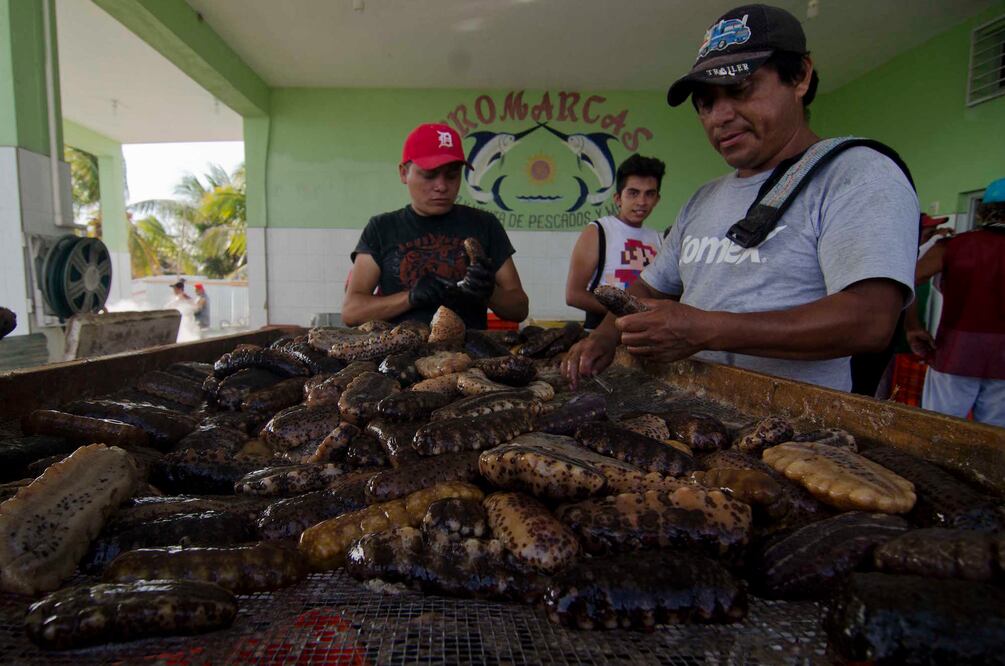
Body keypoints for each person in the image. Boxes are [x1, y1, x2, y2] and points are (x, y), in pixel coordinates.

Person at [563, 3, 919, 391]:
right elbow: (649, 289)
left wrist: (707, 329)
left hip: (798, 436)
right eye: (706, 102)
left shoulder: (858, 175)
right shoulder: (703, 199)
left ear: (799, 76)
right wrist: (603, 336)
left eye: (739, 89)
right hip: (693, 412)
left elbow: (868, 321)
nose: (719, 116)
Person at [343, 123, 529, 329]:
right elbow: (352, 311)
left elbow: (519, 308)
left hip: (469, 357)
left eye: (452, 175)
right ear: (404, 173)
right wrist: (410, 297)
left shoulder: (484, 225)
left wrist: (490, 292)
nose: (441, 186)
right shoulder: (381, 228)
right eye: (429, 175)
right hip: (399, 357)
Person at [907, 178, 1005, 427]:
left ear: (983, 210)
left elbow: (906, 283)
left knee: (938, 431)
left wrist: (913, 327)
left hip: (956, 352)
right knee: (995, 439)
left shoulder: (953, 246)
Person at [565, 154, 666, 329]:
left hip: (644, 339)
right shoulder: (598, 231)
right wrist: (626, 314)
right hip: (598, 336)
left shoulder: (659, 239)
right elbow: (574, 295)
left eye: (649, 194)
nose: (641, 201)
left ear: (657, 199)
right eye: (633, 193)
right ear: (618, 198)